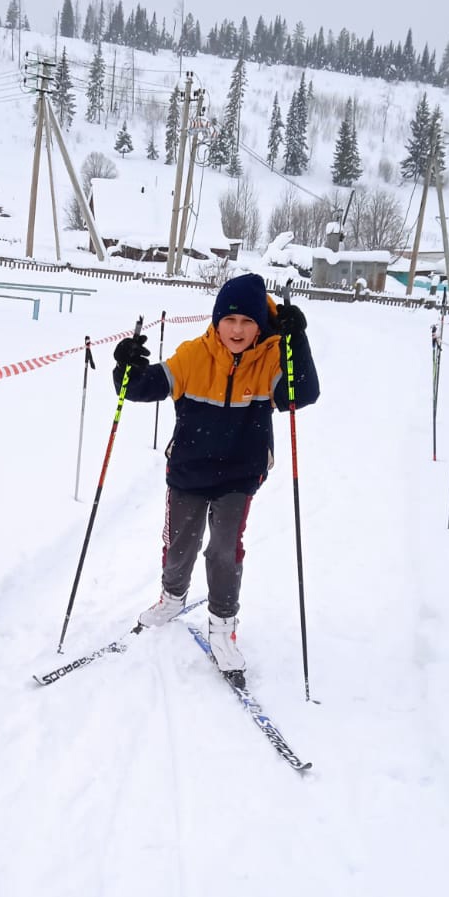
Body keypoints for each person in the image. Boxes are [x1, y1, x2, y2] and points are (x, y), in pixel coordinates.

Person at [112, 272, 319, 685]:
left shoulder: (273, 359)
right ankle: (172, 597)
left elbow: (302, 394)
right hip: (188, 471)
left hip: (239, 476)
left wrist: (298, 341)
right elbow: (139, 388)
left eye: (248, 322)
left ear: (261, 324)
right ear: (216, 320)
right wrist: (125, 364)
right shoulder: (193, 355)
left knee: (224, 551)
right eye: (230, 320)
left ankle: (223, 627)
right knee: (180, 544)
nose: (238, 330)